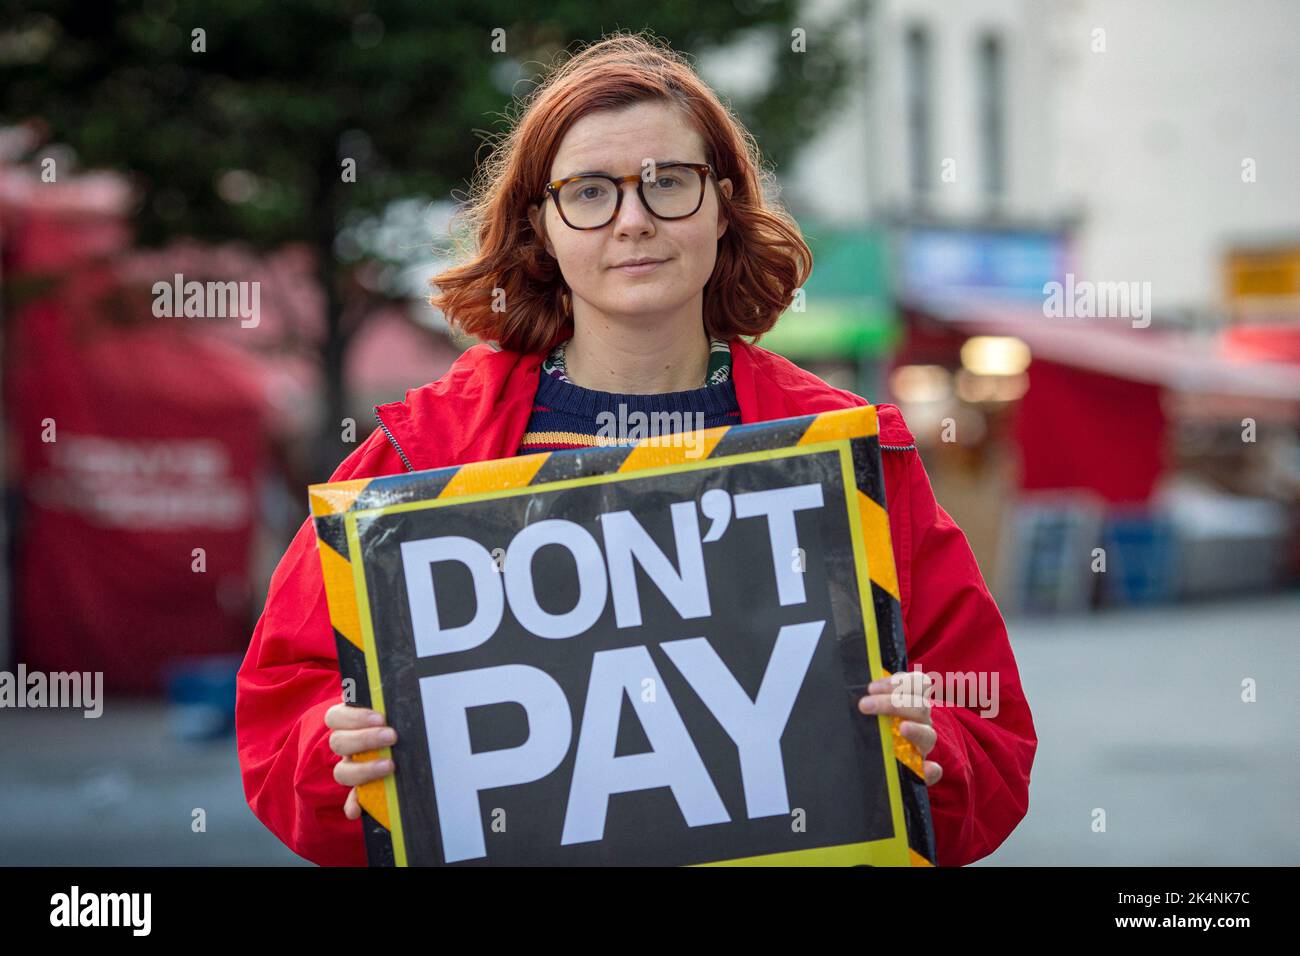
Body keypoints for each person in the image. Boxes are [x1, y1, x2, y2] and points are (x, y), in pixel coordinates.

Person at [236, 32, 1037, 867]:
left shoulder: (851, 458)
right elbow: (284, 717)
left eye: (669, 182)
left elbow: (991, 740)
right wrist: (337, 758)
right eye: (588, 191)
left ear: (722, 204)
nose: (634, 220)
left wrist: (930, 738)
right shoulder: (420, 459)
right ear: (540, 226)